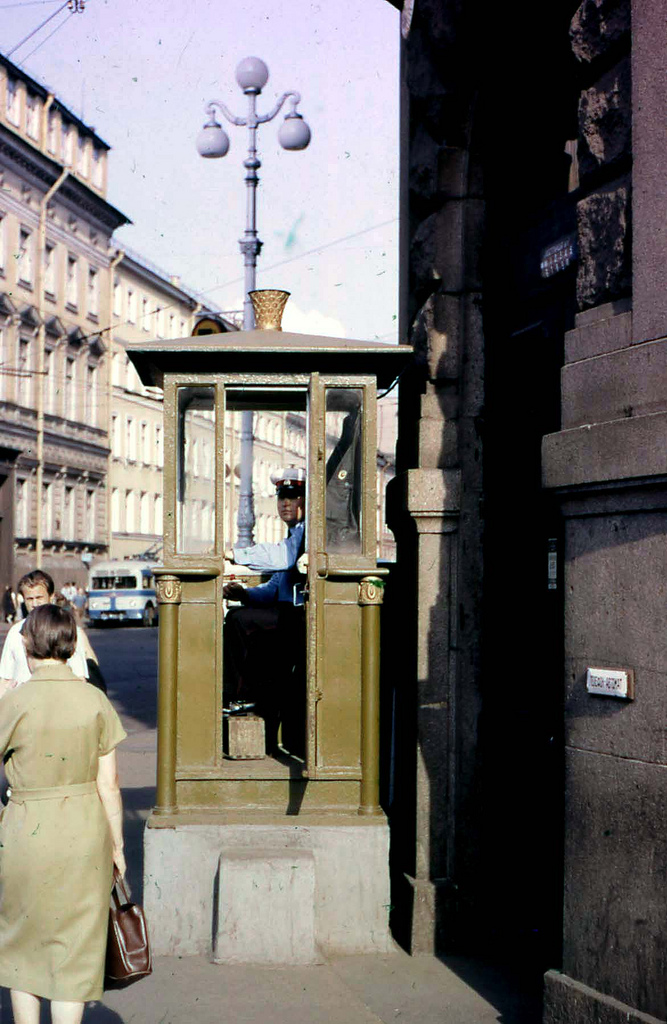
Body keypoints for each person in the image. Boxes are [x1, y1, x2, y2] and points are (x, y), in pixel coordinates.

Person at [0, 603, 126, 1024]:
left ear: (26, 643)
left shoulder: (13, 704)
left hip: (24, 828)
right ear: (72, 646)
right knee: (74, 948)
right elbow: (109, 784)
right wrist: (118, 846)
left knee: (22, 944)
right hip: (85, 831)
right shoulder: (94, 701)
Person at [223, 468, 306, 752]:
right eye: (282, 496)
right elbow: (274, 587)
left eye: (293, 496)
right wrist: (245, 594)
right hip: (286, 614)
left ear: (306, 501)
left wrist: (237, 554)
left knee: (238, 621)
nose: (286, 503)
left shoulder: (307, 534)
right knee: (241, 618)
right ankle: (245, 698)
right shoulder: (295, 533)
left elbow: (282, 558)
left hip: (300, 617)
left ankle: (234, 694)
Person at [0, 571, 89, 699]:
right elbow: (5, 679)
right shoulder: (15, 632)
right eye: (29, 599)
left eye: (39, 598)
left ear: (51, 596)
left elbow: (80, 678)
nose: (35, 604)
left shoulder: (67, 628)